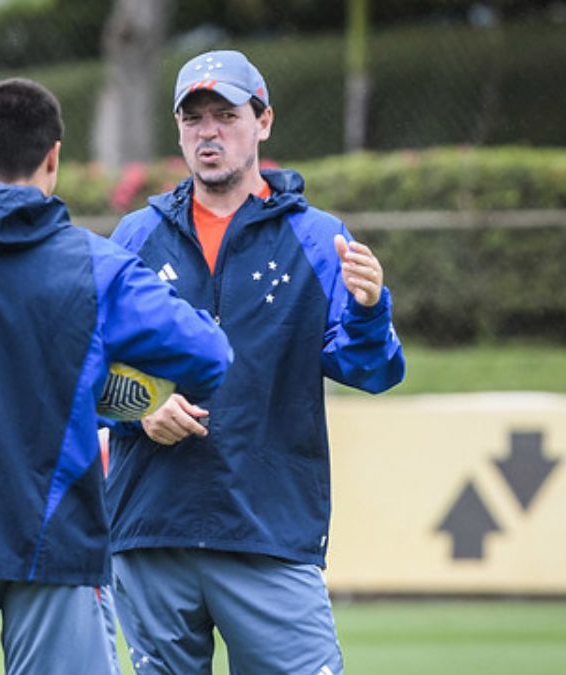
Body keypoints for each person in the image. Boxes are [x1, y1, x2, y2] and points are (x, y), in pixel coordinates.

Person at [0, 78, 233, 675]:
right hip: (59, 541)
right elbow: (210, 355)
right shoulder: (98, 264)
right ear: (54, 156)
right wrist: (110, 394)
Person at [105, 50, 406, 674]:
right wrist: (143, 411)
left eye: (225, 114)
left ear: (263, 122)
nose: (207, 132)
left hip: (269, 534)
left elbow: (372, 372)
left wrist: (372, 308)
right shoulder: (135, 237)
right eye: (193, 119)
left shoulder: (320, 237)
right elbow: (84, 372)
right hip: (152, 532)